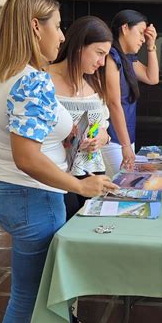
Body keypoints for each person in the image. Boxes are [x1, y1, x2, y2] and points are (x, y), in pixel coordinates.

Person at [0, 0, 118, 323]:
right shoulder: (33, 81)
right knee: (37, 300)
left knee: (27, 296)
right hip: (34, 197)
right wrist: (80, 185)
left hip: (6, 191)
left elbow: (15, 137)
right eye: (57, 26)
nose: (61, 36)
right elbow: (27, 157)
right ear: (34, 27)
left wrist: (70, 136)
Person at [48, 16, 113, 219]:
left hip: (92, 173)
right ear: (78, 46)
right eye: (99, 53)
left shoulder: (95, 85)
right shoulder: (43, 80)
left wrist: (103, 138)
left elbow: (103, 128)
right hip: (57, 176)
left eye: (105, 56)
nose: (101, 63)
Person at [100, 9, 159, 177]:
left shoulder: (128, 58)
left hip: (126, 137)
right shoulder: (111, 56)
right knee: (122, 187)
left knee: (123, 187)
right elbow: (114, 103)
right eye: (140, 33)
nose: (142, 38)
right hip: (113, 138)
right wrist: (126, 146)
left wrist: (151, 45)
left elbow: (152, 78)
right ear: (125, 28)